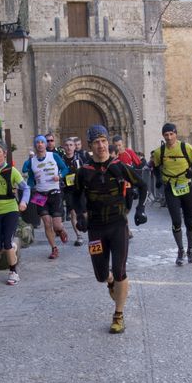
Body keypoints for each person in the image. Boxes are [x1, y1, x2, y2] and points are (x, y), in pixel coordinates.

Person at [72, 125, 148, 333]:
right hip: (96, 229)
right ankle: (110, 280)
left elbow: (142, 185)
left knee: (120, 269)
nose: (101, 145)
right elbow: (74, 195)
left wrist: (140, 209)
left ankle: (118, 314)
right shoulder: (84, 172)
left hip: (118, 225)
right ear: (90, 146)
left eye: (104, 141)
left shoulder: (119, 167)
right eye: (96, 142)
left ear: (108, 143)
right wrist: (80, 214)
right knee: (101, 274)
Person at [150, 122, 192, 265]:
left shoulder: (186, 147)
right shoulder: (160, 152)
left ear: (176, 134)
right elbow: (156, 168)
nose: (169, 137)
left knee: (189, 221)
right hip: (170, 188)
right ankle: (180, 250)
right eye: (166, 135)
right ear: (163, 136)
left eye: (171, 134)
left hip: (186, 186)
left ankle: (190, 250)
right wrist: (159, 179)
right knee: (176, 221)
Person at [0, 142, 30, 286]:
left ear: (5, 153)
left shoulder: (12, 171)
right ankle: (12, 247)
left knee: (6, 243)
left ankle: (13, 272)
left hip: (11, 209)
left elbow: (26, 188)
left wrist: (23, 202)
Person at [22, 134, 69, 259]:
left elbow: (65, 169)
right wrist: (26, 188)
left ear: (45, 144)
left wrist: (59, 176)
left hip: (54, 193)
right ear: (35, 145)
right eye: (37, 142)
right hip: (40, 195)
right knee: (47, 224)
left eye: (42, 142)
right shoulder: (32, 161)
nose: (40, 144)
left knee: (57, 225)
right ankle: (54, 248)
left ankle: (61, 230)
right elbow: (27, 173)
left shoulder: (53, 156)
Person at [61, 137, 88, 247]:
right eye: (66, 145)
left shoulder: (79, 158)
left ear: (74, 147)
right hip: (68, 190)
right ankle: (79, 236)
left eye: (71, 145)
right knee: (73, 212)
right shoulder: (61, 160)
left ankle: (87, 227)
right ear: (64, 147)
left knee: (85, 212)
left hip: (80, 189)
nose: (69, 147)